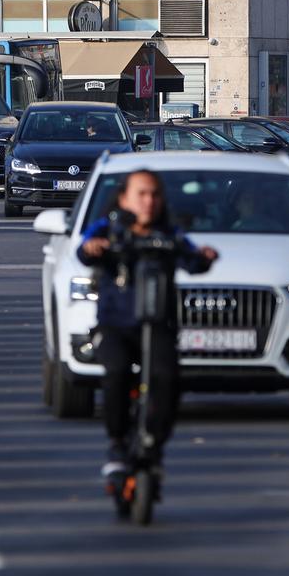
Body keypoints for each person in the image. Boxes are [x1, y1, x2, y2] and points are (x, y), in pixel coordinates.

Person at [77, 170, 217, 478]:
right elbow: (85, 248)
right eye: (141, 194)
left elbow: (192, 259)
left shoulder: (169, 233)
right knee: (116, 373)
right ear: (125, 198)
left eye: (154, 194)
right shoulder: (109, 227)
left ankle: (153, 442)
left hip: (157, 325)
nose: (148, 201)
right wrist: (93, 248)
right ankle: (116, 442)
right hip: (115, 325)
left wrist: (204, 257)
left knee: (167, 379)